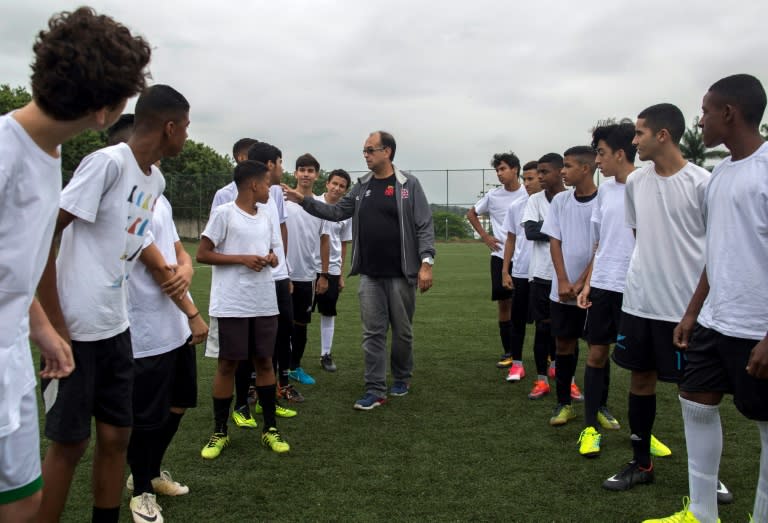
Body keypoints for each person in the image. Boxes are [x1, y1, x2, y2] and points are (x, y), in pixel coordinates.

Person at [0, 8, 150, 523]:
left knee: (23, 505)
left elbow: (18, 268)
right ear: (106, 110)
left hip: (15, 366)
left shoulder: (48, 153)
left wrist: (42, 327)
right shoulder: (4, 151)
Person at [37, 84, 187, 523]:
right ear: (170, 126)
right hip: (76, 331)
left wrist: (178, 269)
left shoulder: (155, 179)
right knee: (70, 444)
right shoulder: (106, 163)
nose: (186, 136)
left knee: (117, 436)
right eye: (186, 127)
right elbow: (47, 234)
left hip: (117, 327)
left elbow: (134, 244)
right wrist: (55, 327)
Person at [643, 75, 768, 523]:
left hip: (758, 328)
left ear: (729, 113)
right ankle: (701, 513)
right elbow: (717, 254)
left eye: (706, 111)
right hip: (715, 321)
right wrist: (693, 312)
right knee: (695, 400)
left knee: (764, 426)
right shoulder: (719, 176)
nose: (700, 120)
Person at [282, 130, 435, 410]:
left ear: (386, 152)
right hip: (370, 274)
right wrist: (303, 200)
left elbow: (424, 224)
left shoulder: (408, 185)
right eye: (364, 150)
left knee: (402, 331)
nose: (365, 155)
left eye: (369, 150)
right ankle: (375, 388)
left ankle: (402, 375)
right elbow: (336, 212)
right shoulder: (362, 186)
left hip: (402, 273)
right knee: (372, 332)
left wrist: (426, 262)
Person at [602, 103, 711, 492]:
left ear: (662, 135)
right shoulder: (635, 183)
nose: (634, 141)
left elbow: (713, 250)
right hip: (640, 303)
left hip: (686, 309)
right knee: (640, 380)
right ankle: (641, 463)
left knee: (696, 392)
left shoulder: (703, 182)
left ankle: (706, 477)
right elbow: (638, 236)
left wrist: (694, 306)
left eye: (640, 133)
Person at [105, 116, 207, 522]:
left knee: (179, 403)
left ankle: (146, 471)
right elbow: (153, 263)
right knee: (145, 415)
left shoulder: (158, 193)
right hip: (144, 325)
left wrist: (187, 266)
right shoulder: (126, 195)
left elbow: (177, 250)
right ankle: (142, 490)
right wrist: (194, 314)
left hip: (173, 324)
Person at [196, 160, 289, 459]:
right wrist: (242, 259)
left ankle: (270, 429)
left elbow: (275, 251)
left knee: (264, 362)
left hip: (263, 301)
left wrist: (272, 258)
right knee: (227, 364)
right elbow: (203, 254)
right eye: (266, 183)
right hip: (231, 303)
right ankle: (219, 432)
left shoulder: (266, 216)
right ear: (253, 184)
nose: (269, 189)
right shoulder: (224, 214)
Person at [574, 122, 637, 458]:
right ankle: (590, 429)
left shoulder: (647, 186)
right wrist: (587, 284)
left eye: (601, 153)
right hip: (603, 286)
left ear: (620, 153)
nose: (597, 160)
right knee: (596, 355)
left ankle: (643, 433)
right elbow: (601, 243)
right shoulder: (606, 192)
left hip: (637, 289)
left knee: (643, 368)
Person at [542, 146, 598, 427]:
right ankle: (563, 404)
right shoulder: (561, 202)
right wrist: (563, 280)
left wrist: (582, 282)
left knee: (598, 348)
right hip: (561, 290)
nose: (562, 171)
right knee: (563, 345)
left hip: (594, 289)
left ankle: (599, 406)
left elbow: (604, 246)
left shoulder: (605, 201)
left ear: (585, 169)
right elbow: (555, 241)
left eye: (567, 166)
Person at [247, 142, 304, 406]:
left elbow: (281, 230)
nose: (283, 168)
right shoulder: (229, 193)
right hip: (255, 276)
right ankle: (252, 386)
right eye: (281, 162)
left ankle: (282, 383)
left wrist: (285, 269)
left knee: (285, 331)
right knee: (255, 334)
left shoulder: (278, 194)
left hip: (279, 276)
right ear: (270, 165)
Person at [467, 152, 527, 370]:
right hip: (501, 255)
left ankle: (548, 354)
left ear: (515, 169)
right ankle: (509, 352)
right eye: (497, 170)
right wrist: (485, 236)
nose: (499, 174)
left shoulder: (528, 192)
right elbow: (471, 213)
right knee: (505, 303)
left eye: (503, 169)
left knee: (535, 305)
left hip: (526, 257)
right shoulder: (493, 196)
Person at [521, 154, 564, 399]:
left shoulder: (570, 198)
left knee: (565, 332)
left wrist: (546, 227)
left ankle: (564, 378)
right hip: (540, 275)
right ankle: (541, 380)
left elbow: (579, 231)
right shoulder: (535, 200)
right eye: (538, 172)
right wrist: (559, 229)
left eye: (544, 172)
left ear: (559, 173)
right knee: (543, 329)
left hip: (567, 276)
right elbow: (530, 231)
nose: (539, 177)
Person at [285, 153, 325, 386]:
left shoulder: (319, 207)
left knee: (301, 324)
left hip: (306, 275)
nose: (306, 174)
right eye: (302, 169)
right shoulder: (283, 201)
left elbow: (324, 240)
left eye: (310, 170)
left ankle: (294, 367)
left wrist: (323, 274)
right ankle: (276, 368)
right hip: (282, 275)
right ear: (295, 173)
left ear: (317, 175)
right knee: (280, 325)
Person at [501, 161, 541, 382]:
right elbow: (510, 239)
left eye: (531, 178)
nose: (527, 183)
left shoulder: (554, 203)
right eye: (525, 179)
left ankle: (552, 362)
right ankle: (517, 364)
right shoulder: (517, 206)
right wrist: (505, 270)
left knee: (547, 323)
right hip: (522, 272)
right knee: (517, 320)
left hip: (546, 274)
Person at [315, 169, 353, 372]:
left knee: (328, 312)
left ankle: (326, 354)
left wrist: (339, 274)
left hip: (332, 269)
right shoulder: (313, 204)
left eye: (342, 186)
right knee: (297, 314)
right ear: (327, 184)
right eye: (334, 184)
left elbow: (344, 243)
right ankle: (291, 357)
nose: (337, 188)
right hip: (308, 267)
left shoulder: (346, 212)